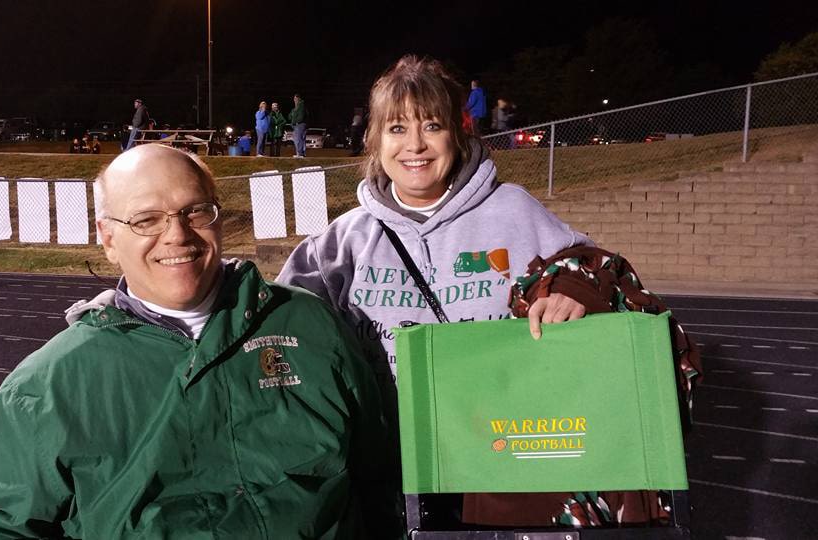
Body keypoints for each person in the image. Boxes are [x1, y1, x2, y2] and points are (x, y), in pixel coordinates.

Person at [0, 144, 402, 539]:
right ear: (108, 239)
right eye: (146, 220)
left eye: (195, 211)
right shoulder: (51, 382)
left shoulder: (309, 324)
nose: (177, 235)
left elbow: (379, 477)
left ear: (218, 218)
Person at [277, 55, 673, 528]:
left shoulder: (513, 211)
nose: (415, 145)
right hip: (387, 467)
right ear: (375, 140)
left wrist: (569, 292)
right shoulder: (342, 241)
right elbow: (282, 326)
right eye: (397, 128)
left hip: (495, 459)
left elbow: (593, 272)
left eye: (432, 126)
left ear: (458, 134)